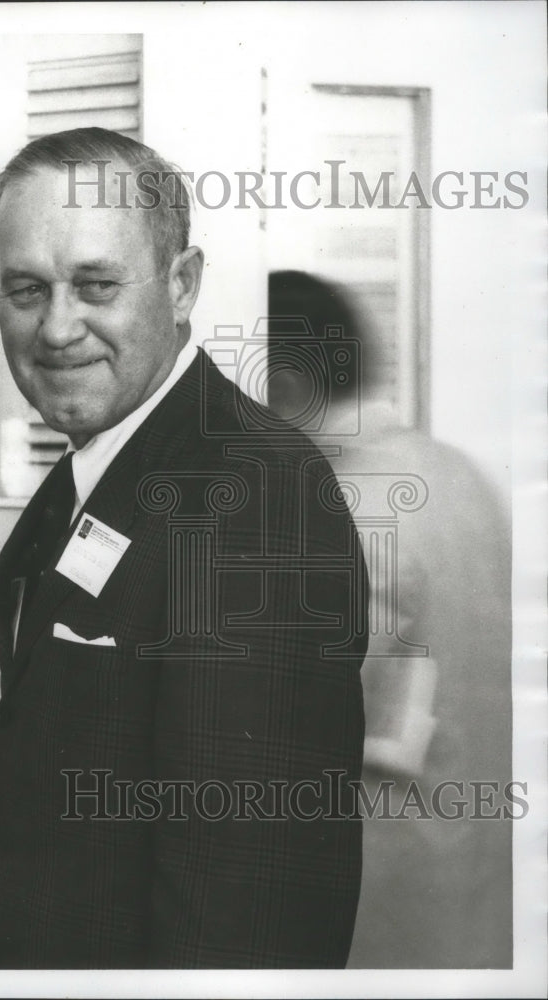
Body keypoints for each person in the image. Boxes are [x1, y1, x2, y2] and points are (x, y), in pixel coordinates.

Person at [0, 130, 368, 970]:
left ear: (181, 285)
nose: (56, 328)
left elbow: (249, 918)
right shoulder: (102, 462)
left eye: (96, 285)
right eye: (25, 288)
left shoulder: (258, 497)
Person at [267, 270, 513, 968]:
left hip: (386, 905)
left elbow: (313, 731)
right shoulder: (464, 477)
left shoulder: (338, 508)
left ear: (286, 389)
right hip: (482, 894)